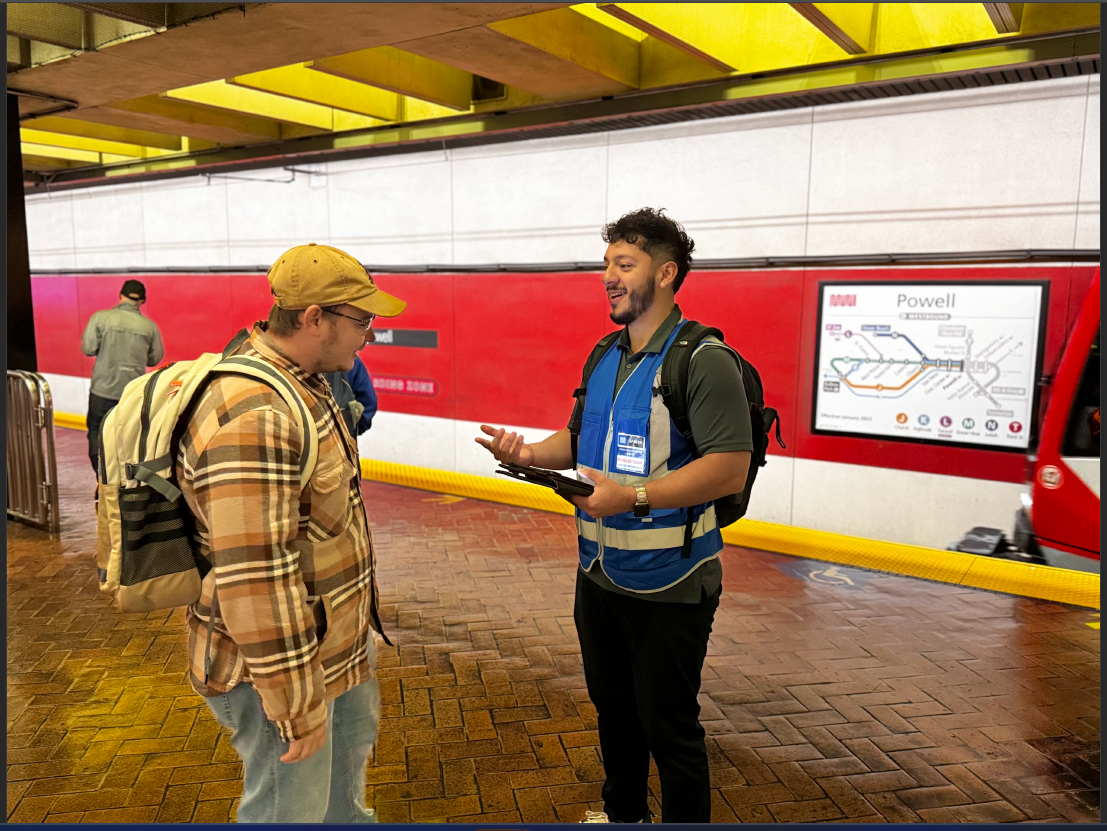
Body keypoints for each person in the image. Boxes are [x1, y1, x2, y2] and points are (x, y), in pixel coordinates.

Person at [476, 208, 753, 823]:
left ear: (666, 274)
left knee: (669, 730)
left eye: (624, 265)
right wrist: (526, 454)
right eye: (606, 264)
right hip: (598, 575)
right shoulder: (604, 354)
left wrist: (634, 497)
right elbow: (578, 441)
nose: (608, 276)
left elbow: (730, 467)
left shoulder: (702, 361)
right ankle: (622, 816)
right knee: (614, 714)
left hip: (671, 581)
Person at [174, 243, 405, 823]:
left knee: (340, 806)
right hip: (279, 677)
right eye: (362, 320)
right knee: (288, 812)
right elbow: (257, 578)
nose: (370, 335)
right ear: (314, 318)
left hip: (335, 654)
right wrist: (296, 705)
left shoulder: (311, 383)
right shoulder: (255, 413)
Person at [80, 279, 164, 470]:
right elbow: (154, 359)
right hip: (132, 394)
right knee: (131, 438)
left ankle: (102, 477)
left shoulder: (100, 318)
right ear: (142, 300)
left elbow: (88, 348)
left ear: (121, 296)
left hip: (102, 391)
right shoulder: (149, 327)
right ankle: (126, 483)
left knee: (96, 430)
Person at [325, 352, 378, 438]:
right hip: (344, 436)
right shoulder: (349, 359)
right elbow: (369, 402)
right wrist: (353, 429)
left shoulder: (300, 359)